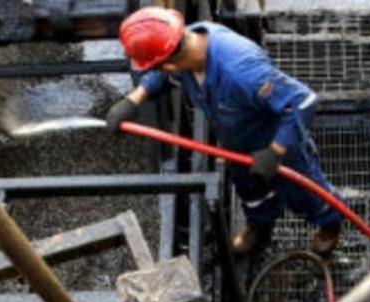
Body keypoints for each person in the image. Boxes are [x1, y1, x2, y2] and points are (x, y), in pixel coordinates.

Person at [106, 7, 343, 256]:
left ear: (171, 65)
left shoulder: (241, 72)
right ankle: (260, 226)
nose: (156, 71)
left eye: (158, 66)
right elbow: (158, 73)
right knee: (251, 190)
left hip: (277, 143)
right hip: (237, 143)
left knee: (303, 191)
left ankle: (329, 224)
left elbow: (302, 102)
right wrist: (134, 99)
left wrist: (275, 151)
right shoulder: (184, 43)